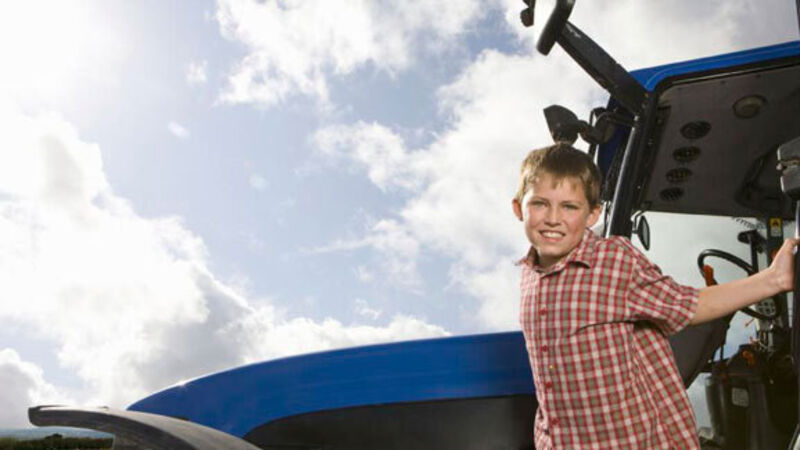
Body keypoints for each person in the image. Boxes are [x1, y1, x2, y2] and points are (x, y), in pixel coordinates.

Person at [512, 143, 798, 449]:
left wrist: (773, 279)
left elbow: (688, 305)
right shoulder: (529, 274)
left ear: (593, 214)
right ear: (518, 208)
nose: (553, 218)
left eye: (569, 207)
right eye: (540, 203)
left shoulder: (612, 260)